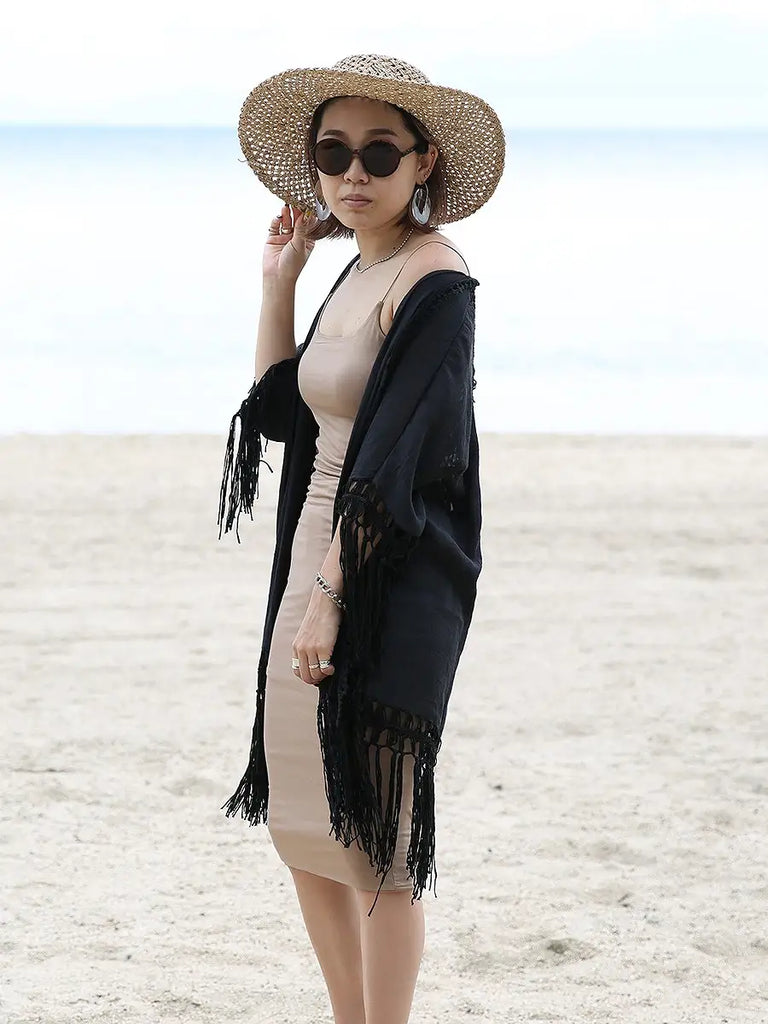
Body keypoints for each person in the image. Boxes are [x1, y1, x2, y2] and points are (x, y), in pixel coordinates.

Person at [218, 54, 505, 1024]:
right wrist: (281, 282)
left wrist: (333, 596)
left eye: (380, 153)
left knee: (378, 841)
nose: (354, 172)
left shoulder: (437, 281)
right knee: (304, 823)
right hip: (311, 555)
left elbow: (404, 460)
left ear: (423, 163)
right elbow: (282, 416)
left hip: (387, 571)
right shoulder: (355, 267)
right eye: (333, 153)